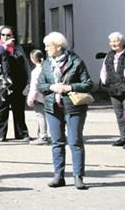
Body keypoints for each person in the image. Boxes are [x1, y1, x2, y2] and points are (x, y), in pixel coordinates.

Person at [37, 32, 93, 190]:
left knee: (75, 142)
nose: (46, 49)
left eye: (49, 46)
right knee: (57, 143)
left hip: (73, 107)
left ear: (59, 46)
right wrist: (51, 87)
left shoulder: (76, 62)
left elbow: (88, 84)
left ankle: (78, 176)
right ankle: (58, 176)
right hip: (52, 107)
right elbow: (41, 84)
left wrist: (69, 87)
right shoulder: (47, 63)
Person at [0, 26, 30, 141]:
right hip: (2, 82)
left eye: (8, 35)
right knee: (1, 108)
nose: (5, 37)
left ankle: (21, 133)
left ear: (13, 36)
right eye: (3, 35)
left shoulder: (18, 48)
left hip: (18, 81)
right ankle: (0, 134)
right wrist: (4, 47)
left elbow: (25, 64)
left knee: (18, 108)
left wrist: (29, 80)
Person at [101, 32, 125, 149]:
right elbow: (104, 70)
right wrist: (105, 81)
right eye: (111, 41)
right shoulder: (109, 55)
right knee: (119, 114)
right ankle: (123, 137)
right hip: (113, 89)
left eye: (115, 41)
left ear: (122, 42)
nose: (113, 44)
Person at [26, 50, 51, 145]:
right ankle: (42, 134)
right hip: (47, 95)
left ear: (32, 59)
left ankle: (43, 136)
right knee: (47, 116)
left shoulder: (35, 71)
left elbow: (34, 87)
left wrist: (30, 99)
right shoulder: (48, 68)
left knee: (40, 116)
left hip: (38, 97)